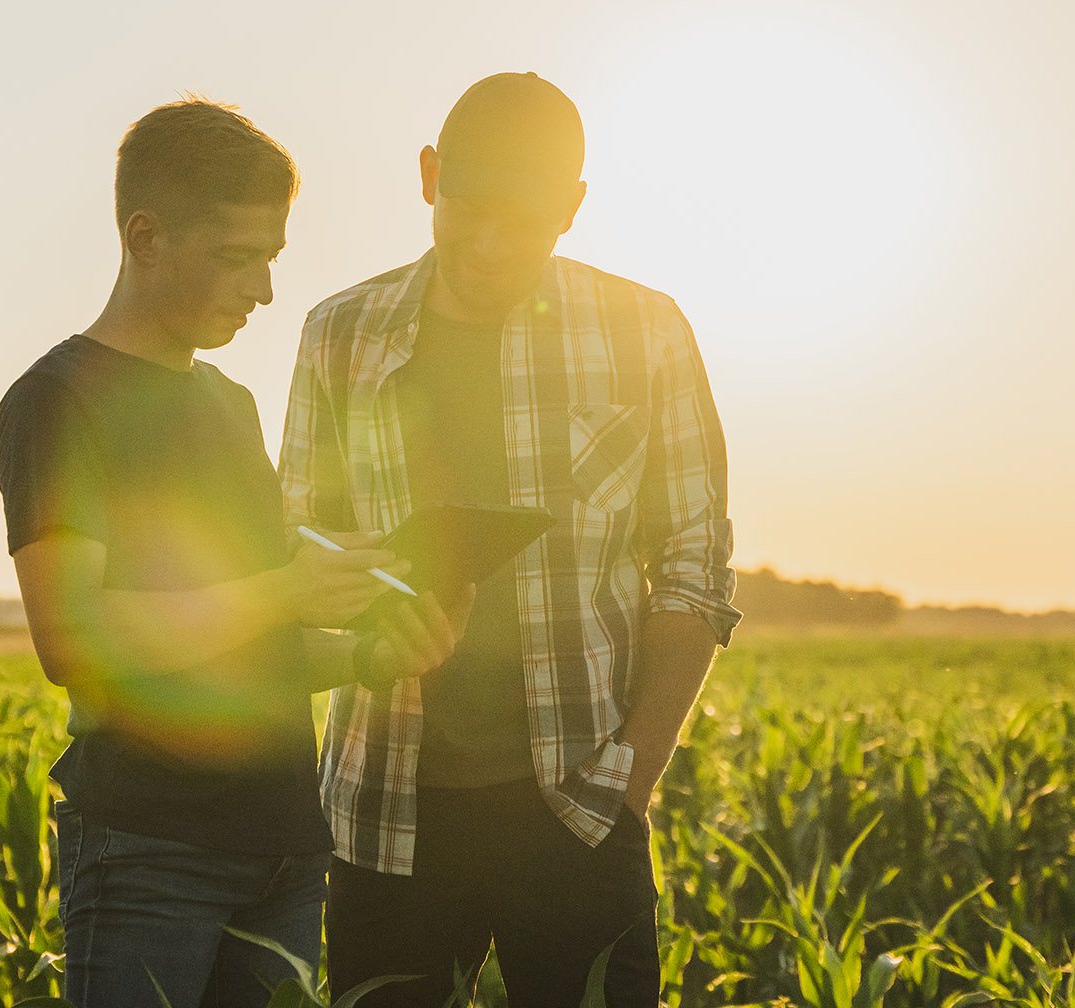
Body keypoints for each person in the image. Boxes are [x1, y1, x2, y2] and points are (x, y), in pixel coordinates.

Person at [277, 72, 741, 1006]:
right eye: (468, 209)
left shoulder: (645, 334)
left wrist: (631, 783)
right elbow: (297, 554)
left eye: (524, 221)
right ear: (428, 176)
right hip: (384, 816)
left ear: (572, 208)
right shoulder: (339, 335)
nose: (489, 245)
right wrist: (364, 633)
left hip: (581, 809)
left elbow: (692, 570)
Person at [0, 100, 465, 1008]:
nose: (265, 291)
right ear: (145, 235)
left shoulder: (230, 405)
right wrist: (287, 589)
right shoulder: (56, 402)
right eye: (238, 257)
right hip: (148, 854)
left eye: (274, 259)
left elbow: (244, 648)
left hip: (284, 852)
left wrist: (367, 652)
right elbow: (74, 644)